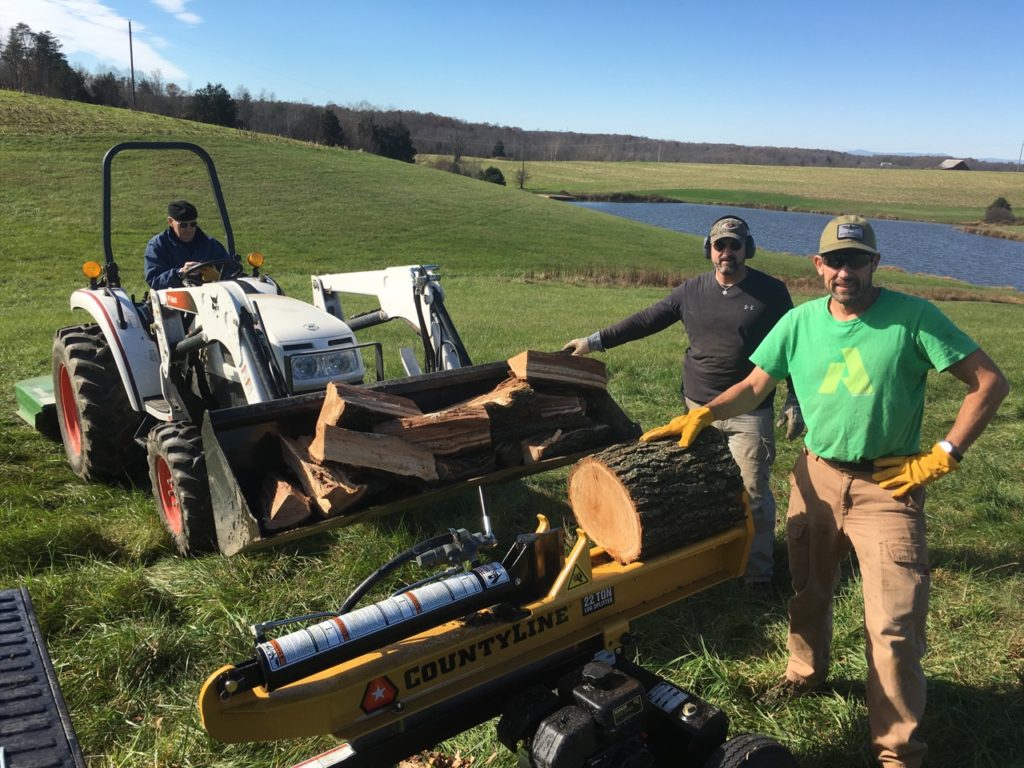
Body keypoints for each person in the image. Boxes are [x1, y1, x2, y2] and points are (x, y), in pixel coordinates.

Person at [641, 214, 1009, 768]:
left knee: (893, 625)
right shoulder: (799, 322)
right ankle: (805, 673)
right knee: (809, 590)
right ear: (818, 265)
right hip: (815, 477)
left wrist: (944, 455)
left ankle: (898, 752)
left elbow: (990, 382)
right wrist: (705, 414)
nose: (844, 272)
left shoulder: (914, 317)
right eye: (833, 261)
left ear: (874, 264)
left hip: (889, 488)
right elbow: (756, 385)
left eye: (855, 260)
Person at [563, 215, 803, 591]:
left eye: (734, 245)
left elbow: (794, 347)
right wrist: (593, 341)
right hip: (695, 410)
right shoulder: (691, 291)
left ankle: (757, 574)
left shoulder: (771, 293)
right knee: (704, 487)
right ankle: (712, 562)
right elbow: (646, 320)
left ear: (748, 249)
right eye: (719, 245)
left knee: (753, 494)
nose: (727, 253)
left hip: (748, 411)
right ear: (709, 250)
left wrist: (795, 397)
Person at [144, 199, 231, 289]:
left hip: (209, 297)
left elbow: (231, 270)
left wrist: (219, 275)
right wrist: (180, 273)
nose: (189, 229)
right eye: (183, 225)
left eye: (193, 224)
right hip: (173, 298)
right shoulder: (158, 245)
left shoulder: (211, 245)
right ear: (170, 222)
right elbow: (154, 280)